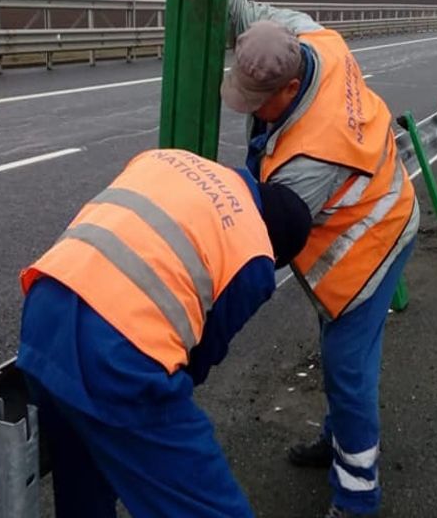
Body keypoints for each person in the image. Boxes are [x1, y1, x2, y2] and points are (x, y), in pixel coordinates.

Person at [177, 0, 420, 518]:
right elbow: (242, 11)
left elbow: (263, 241)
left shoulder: (312, 157)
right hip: (372, 205)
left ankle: (358, 498)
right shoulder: (306, 34)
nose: (251, 110)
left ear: (289, 85)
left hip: (370, 245)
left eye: (261, 103)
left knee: (347, 370)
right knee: (339, 360)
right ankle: (338, 443)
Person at [16, 148, 311, 518]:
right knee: (208, 506)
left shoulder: (168, 159)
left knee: (82, 483)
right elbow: (202, 353)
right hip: (117, 353)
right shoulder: (255, 255)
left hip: (44, 311)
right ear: (276, 247)